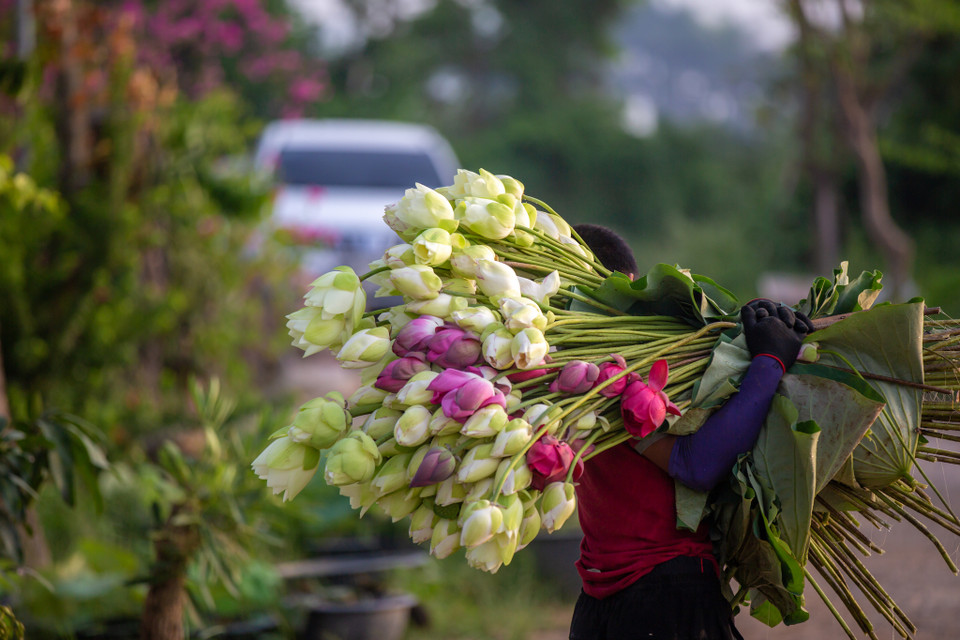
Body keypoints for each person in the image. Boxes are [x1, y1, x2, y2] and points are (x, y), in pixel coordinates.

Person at [569, 224, 814, 640]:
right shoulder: (611, 372)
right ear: (623, 284)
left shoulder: (566, 367)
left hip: (604, 602)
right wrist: (769, 363)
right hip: (663, 596)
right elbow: (695, 465)